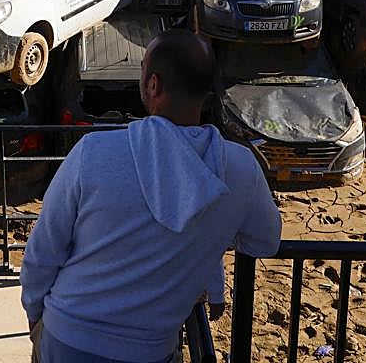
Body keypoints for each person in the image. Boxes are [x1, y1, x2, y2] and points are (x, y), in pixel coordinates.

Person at [20, 30, 281, 363]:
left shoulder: (94, 152)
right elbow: (265, 241)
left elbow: (43, 252)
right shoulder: (240, 171)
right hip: (150, 351)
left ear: (153, 85)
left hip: (68, 337)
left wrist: (34, 313)